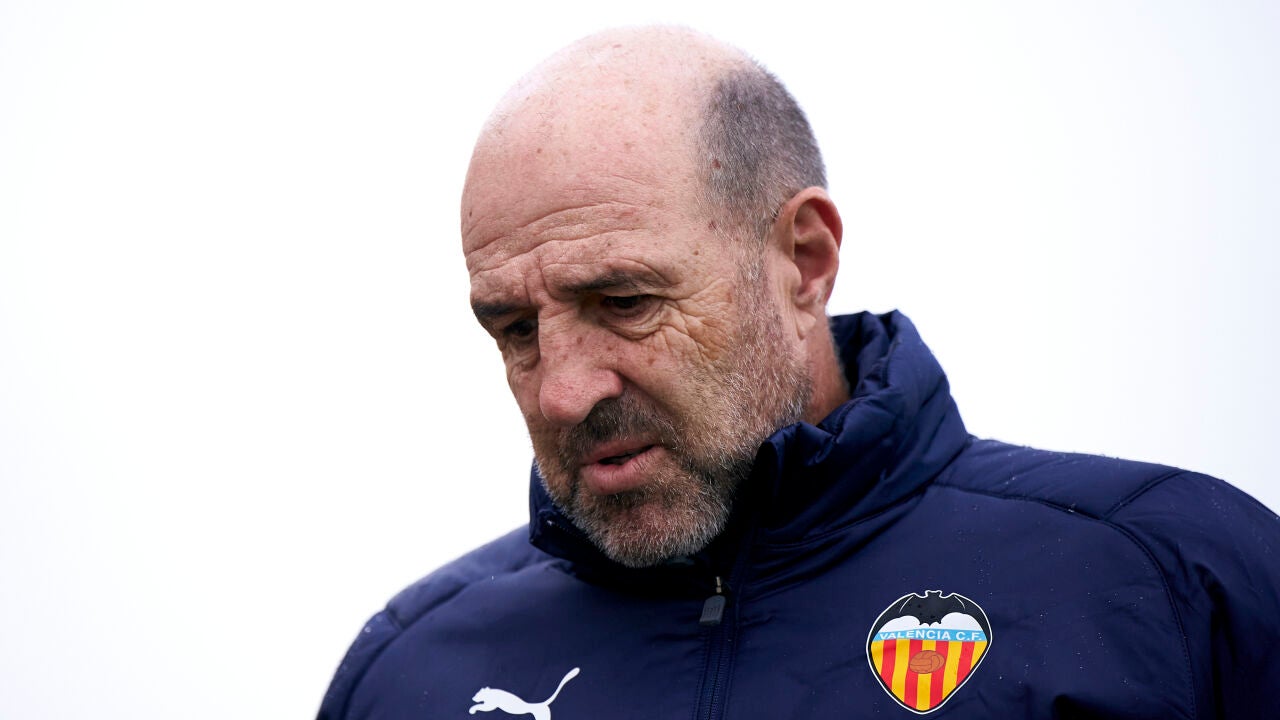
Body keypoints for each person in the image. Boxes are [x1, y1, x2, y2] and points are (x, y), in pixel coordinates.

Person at [319, 26, 1280, 719]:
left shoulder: (1171, 583)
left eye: (625, 302)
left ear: (805, 262)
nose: (564, 393)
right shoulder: (409, 678)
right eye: (515, 327)